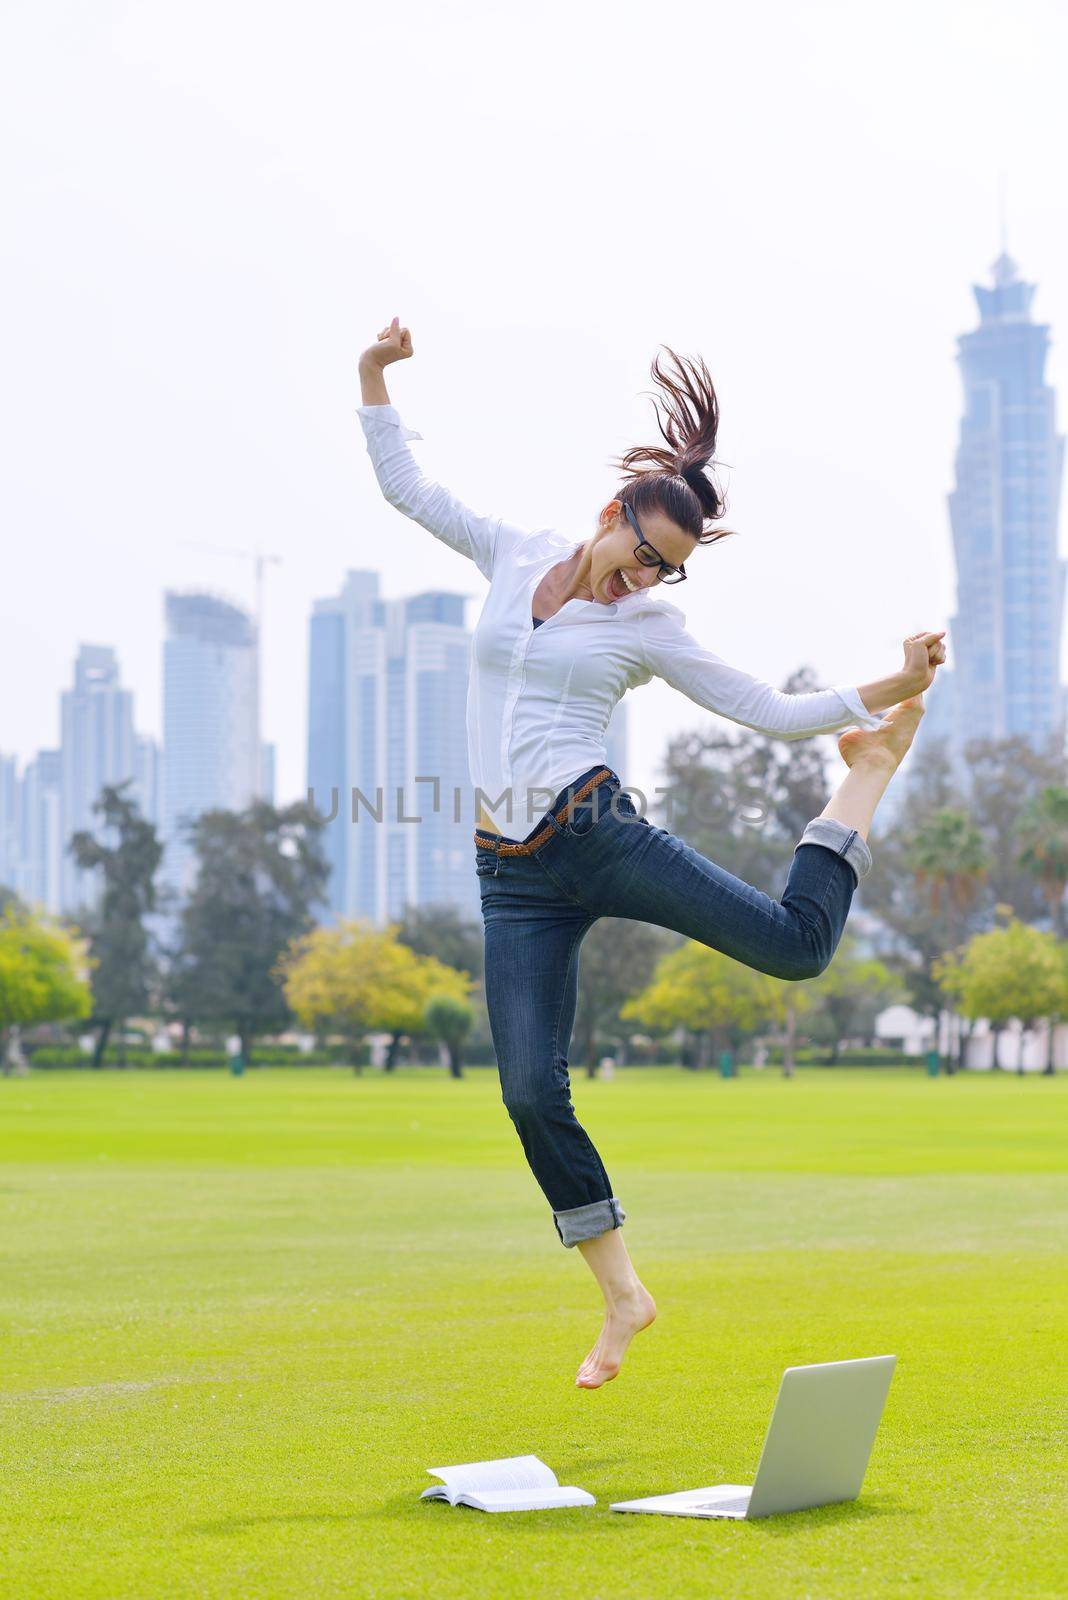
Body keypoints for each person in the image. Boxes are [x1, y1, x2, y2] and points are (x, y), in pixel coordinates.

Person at [356, 317, 946, 1390]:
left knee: (796, 949)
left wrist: (887, 690)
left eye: (667, 572)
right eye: (644, 554)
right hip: (509, 874)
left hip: (598, 835)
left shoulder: (650, 631)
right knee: (531, 1092)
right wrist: (371, 375)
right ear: (613, 516)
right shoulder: (513, 552)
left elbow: (765, 708)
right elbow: (409, 487)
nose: (646, 580)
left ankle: (868, 775)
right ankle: (624, 1293)